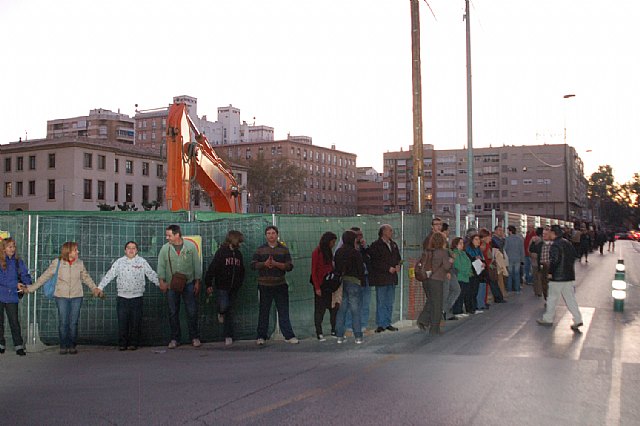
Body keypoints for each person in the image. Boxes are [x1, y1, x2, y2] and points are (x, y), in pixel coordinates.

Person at [22, 241, 101, 354]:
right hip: (61, 297)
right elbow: (44, 277)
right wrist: (31, 288)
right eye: (75, 250)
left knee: (73, 323)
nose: (77, 252)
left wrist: (94, 288)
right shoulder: (57, 263)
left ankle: (72, 345)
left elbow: (86, 278)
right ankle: (63, 345)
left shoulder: (79, 263)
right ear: (68, 251)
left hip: (77, 296)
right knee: (63, 322)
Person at [98, 241, 159, 350]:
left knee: (136, 322)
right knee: (122, 321)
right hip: (122, 297)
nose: (131, 250)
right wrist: (100, 287)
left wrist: (161, 285)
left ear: (137, 250)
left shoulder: (142, 262)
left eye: (133, 248)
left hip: (137, 297)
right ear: (125, 250)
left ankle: (133, 343)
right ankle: (122, 344)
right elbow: (109, 275)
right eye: (128, 248)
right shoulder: (119, 262)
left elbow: (151, 274)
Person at [157, 224, 203, 349]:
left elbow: (196, 264)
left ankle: (194, 337)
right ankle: (175, 338)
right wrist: (161, 281)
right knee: (173, 312)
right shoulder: (164, 249)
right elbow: (160, 265)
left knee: (192, 311)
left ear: (177, 235)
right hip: (172, 285)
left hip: (188, 283)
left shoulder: (190, 246)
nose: (167, 238)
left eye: (169, 235)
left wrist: (197, 281)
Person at [252, 225, 298, 345]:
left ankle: (289, 335)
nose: (271, 235)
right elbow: (253, 264)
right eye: (268, 233)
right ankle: (261, 336)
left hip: (280, 284)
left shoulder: (284, 249)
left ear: (277, 235)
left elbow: (289, 266)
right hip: (264, 285)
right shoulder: (260, 249)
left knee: (283, 311)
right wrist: (264, 264)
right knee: (264, 311)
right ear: (265, 236)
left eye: (273, 233)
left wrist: (277, 264)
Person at [537, 225, 583, 331]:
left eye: (550, 232)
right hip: (568, 276)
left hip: (557, 277)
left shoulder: (555, 245)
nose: (548, 234)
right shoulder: (567, 243)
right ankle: (578, 319)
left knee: (552, 298)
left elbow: (554, 261)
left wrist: (550, 272)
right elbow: (574, 256)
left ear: (554, 233)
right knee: (570, 299)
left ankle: (548, 318)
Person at [204, 230, 245, 346]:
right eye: (240, 241)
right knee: (224, 306)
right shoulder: (221, 252)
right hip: (222, 286)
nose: (241, 244)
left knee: (230, 311)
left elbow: (242, 270)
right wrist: (208, 283)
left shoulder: (238, 254)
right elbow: (213, 268)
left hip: (234, 287)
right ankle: (220, 311)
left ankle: (228, 335)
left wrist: (239, 283)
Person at [0, 238, 32, 356]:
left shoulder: (18, 262)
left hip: (12, 296)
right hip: (1, 294)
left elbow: (25, 274)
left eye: (14, 246)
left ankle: (18, 345)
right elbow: (2, 279)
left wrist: (27, 284)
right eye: (10, 247)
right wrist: (15, 284)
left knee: (14, 322)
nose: (12, 249)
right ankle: (1, 344)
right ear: (3, 249)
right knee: (0, 322)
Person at [368, 224, 402, 333]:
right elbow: (375, 262)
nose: (392, 232)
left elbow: (398, 258)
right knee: (381, 301)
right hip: (381, 278)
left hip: (392, 278)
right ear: (383, 232)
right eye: (390, 230)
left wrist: (398, 265)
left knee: (389, 301)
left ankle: (387, 322)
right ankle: (380, 324)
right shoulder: (376, 245)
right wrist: (387, 268)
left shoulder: (393, 245)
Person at [417, 232, 452, 335]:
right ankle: (434, 329)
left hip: (426, 279)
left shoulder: (428, 251)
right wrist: (451, 261)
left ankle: (423, 320)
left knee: (431, 300)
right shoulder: (443, 252)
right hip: (436, 280)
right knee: (437, 305)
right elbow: (446, 266)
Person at [334, 230, 366, 344]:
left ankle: (339, 336)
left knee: (341, 310)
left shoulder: (338, 252)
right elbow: (360, 269)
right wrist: (362, 281)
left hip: (342, 283)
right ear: (353, 240)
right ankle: (358, 336)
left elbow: (336, 268)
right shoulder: (355, 252)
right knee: (355, 310)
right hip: (354, 282)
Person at [310, 231, 338, 341]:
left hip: (329, 285)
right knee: (319, 310)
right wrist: (317, 287)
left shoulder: (329, 252)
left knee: (333, 308)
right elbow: (314, 271)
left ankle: (333, 329)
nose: (333, 244)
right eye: (332, 242)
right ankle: (319, 332)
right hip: (320, 285)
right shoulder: (317, 252)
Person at [440, 223, 460, 320]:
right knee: (445, 292)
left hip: (450, 269)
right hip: (444, 270)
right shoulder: (438, 241)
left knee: (456, 289)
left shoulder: (446, 242)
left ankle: (445, 310)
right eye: (447, 230)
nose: (448, 232)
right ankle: (444, 312)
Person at [451, 237, 472, 317]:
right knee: (458, 295)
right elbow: (457, 265)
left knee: (463, 294)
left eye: (463, 243)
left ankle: (460, 310)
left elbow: (468, 262)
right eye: (460, 243)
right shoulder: (455, 253)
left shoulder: (463, 253)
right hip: (459, 276)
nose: (462, 245)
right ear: (456, 244)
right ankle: (457, 311)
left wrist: (469, 271)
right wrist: (465, 271)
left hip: (466, 277)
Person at [465, 234, 484, 314]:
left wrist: (482, 263)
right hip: (471, 271)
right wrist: (475, 258)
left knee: (475, 289)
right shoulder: (469, 249)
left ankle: (474, 306)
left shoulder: (478, 249)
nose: (478, 241)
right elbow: (469, 259)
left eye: (479, 239)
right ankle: (470, 308)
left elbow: (481, 258)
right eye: (476, 239)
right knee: (471, 290)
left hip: (477, 271)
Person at [504, 225, 525, 294]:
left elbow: (505, 249)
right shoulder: (520, 239)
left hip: (509, 258)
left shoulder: (507, 239)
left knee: (509, 274)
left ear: (510, 231)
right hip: (518, 258)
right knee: (517, 274)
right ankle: (517, 289)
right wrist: (522, 259)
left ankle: (509, 289)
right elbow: (522, 250)